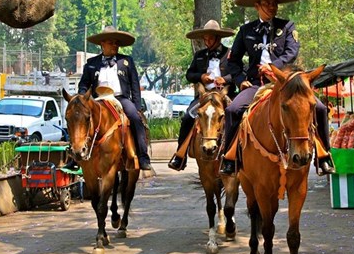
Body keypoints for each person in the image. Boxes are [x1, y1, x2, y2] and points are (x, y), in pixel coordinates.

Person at [220, 0, 335, 175]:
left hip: (286, 83)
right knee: (232, 110)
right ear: (257, 6)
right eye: (267, 3)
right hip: (256, 84)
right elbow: (233, 62)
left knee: (321, 108)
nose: (272, 7)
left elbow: (291, 52)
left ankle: (324, 156)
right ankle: (230, 159)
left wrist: (275, 67)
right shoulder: (245, 31)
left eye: (275, 3)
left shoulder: (288, 26)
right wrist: (240, 80)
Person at [77, 26, 151, 170]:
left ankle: (142, 156)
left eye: (116, 43)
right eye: (111, 43)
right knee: (78, 118)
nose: (115, 46)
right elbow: (84, 84)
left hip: (120, 98)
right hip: (98, 100)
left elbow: (135, 85)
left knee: (135, 119)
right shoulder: (91, 63)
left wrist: (137, 107)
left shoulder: (126, 61)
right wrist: (81, 98)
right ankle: (74, 157)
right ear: (102, 44)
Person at [168, 20, 236, 171]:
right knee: (187, 117)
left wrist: (225, 79)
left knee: (237, 115)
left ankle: (238, 154)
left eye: (210, 38)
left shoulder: (230, 54)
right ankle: (181, 156)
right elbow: (189, 74)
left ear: (218, 38)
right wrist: (201, 77)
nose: (207, 41)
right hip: (204, 97)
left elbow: (239, 72)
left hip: (225, 95)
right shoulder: (199, 55)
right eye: (205, 39)